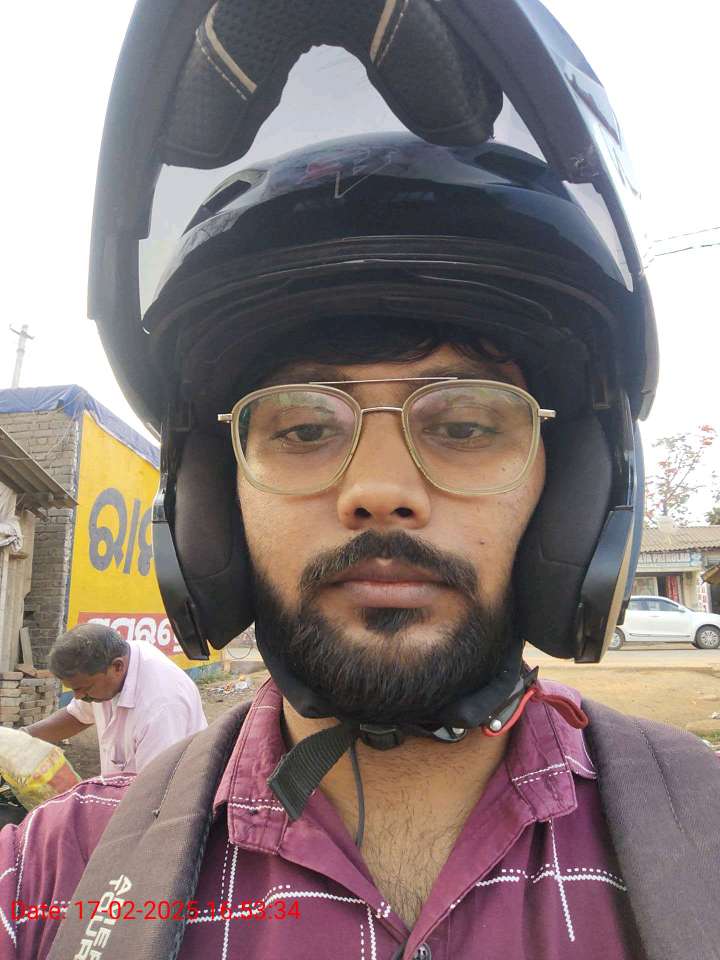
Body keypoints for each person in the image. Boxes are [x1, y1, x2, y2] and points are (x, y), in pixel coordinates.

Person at [1, 3, 717, 960]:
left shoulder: (704, 837)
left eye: (465, 425)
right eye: (302, 427)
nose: (378, 490)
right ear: (213, 503)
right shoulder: (55, 875)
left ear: (572, 492)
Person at [24, 623, 207, 776]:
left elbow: (155, 789)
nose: (78, 696)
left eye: (83, 688)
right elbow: (76, 716)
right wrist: (21, 737)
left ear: (117, 667)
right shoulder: (110, 666)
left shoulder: (160, 707)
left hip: (168, 797)